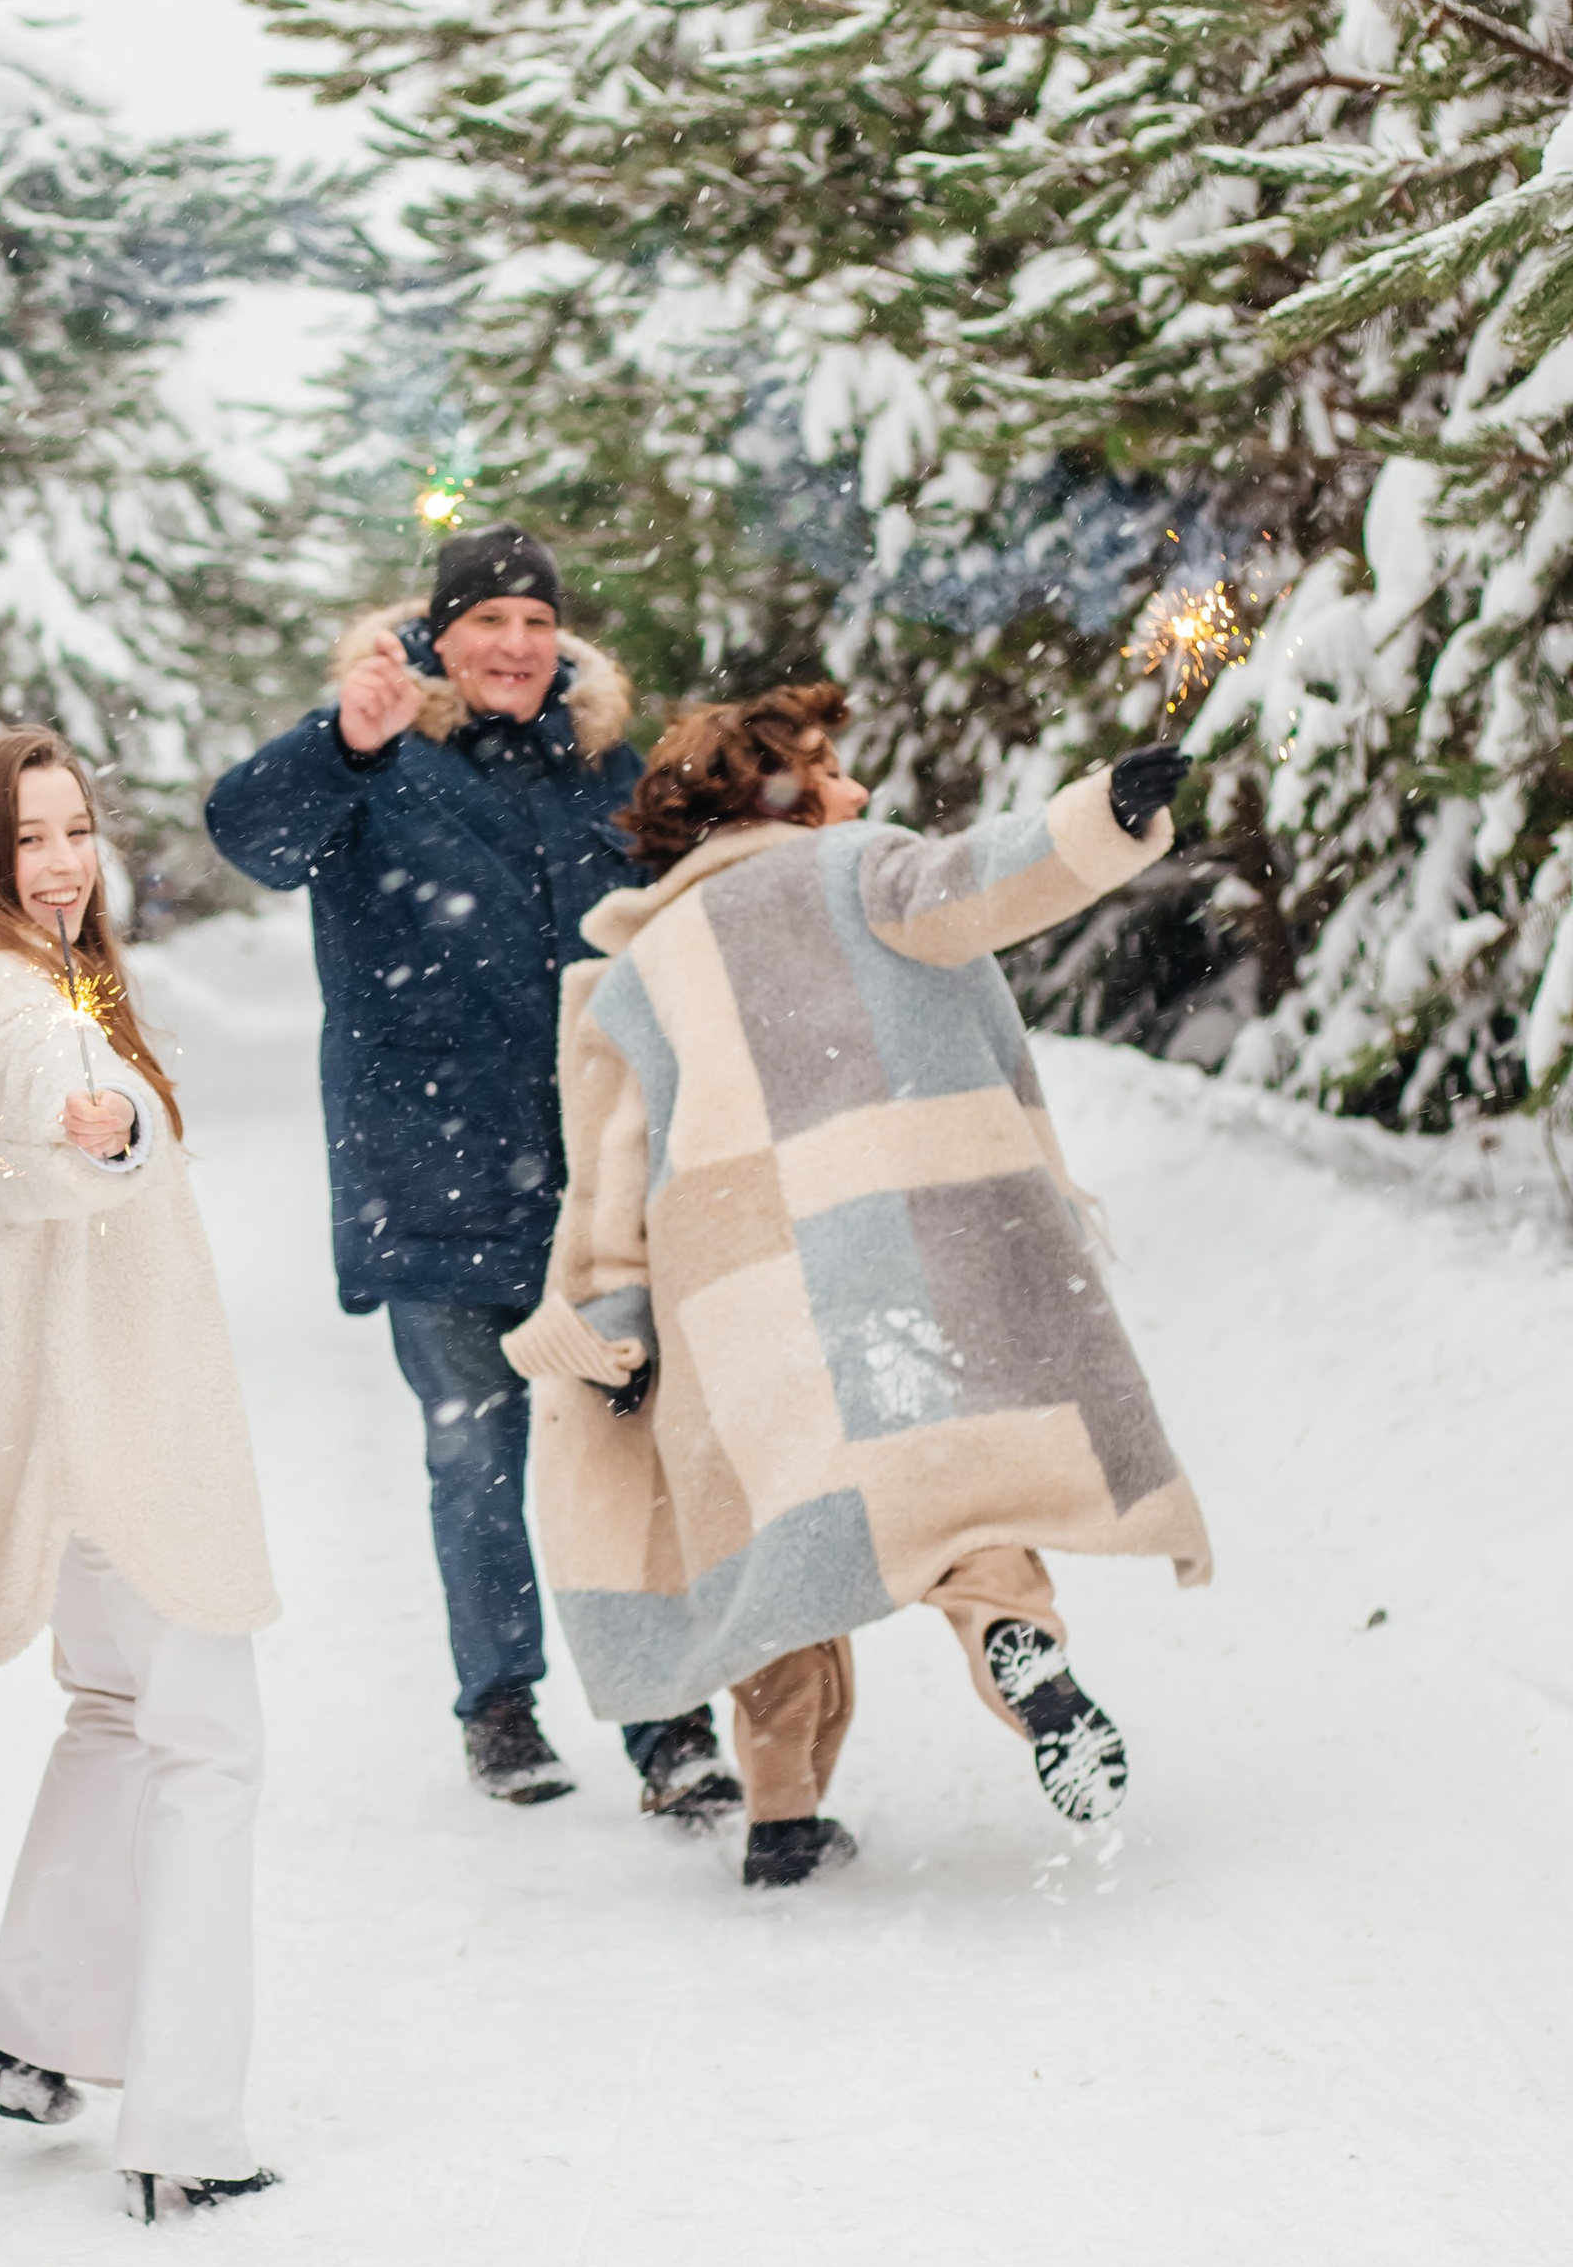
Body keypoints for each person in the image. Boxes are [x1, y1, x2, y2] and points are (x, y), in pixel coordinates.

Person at [500, 681, 1212, 1885]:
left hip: (729, 1301)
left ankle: (780, 1815)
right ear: (768, 788)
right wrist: (1100, 812)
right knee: (947, 1491)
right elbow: (982, 879)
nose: (858, 793)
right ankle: (1009, 1640)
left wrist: (614, 1321)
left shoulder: (634, 980)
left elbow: (606, 1184)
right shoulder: (858, 873)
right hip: (895, 1252)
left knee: (773, 1555)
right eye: (830, 771)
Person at [205, 525, 733, 1822]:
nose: (514, 647)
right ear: (437, 637)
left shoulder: (610, 767)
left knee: (626, 1450)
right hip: (429, 1164)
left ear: (563, 644)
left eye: (537, 625)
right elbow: (248, 832)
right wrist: (345, 738)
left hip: (600, 1180)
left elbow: (713, 897)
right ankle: (500, 1705)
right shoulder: (375, 757)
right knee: (476, 1451)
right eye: (487, 622)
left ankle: (670, 1723)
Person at [0, 728, 280, 2222]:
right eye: (25, 838)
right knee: (208, 1748)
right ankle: (186, 2121)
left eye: (76, 832)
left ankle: (29, 2035)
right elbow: (44, 1116)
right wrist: (92, 1131)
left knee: (119, 1715)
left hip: (53, 1409)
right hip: (122, 1417)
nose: (58, 865)